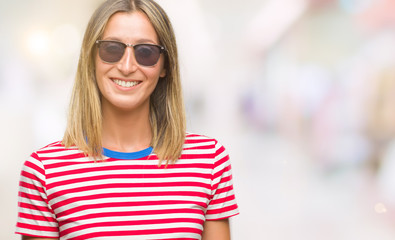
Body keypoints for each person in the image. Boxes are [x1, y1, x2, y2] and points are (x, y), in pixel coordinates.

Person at [16, 0, 239, 239]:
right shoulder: (44, 171)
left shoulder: (209, 161)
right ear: (91, 57)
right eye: (112, 49)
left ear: (165, 65)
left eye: (146, 52)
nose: (127, 66)